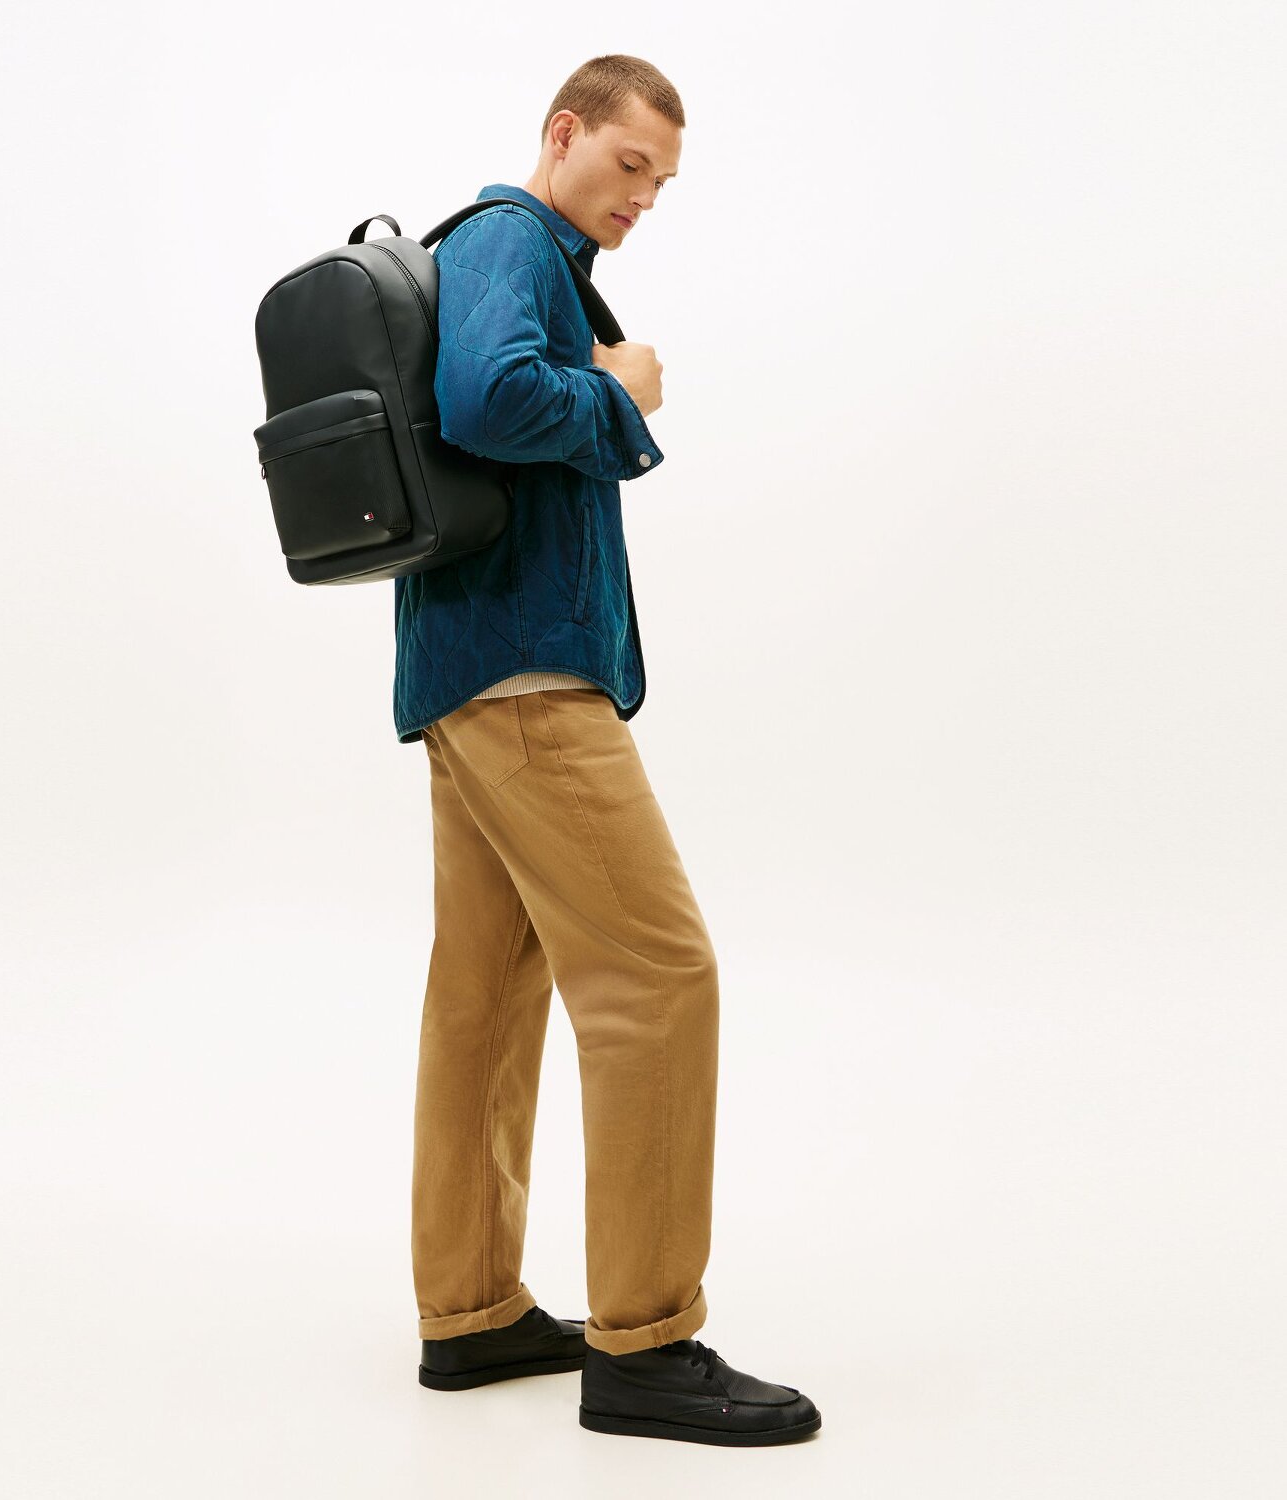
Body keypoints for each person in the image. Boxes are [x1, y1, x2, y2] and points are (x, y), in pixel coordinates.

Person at [396, 54, 822, 1448]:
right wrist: (624, 388)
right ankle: (646, 1345)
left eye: (663, 182)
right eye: (630, 165)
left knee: (489, 989)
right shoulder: (514, 239)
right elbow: (487, 400)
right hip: (525, 679)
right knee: (658, 974)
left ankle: (471, 1312)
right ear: (563, 132)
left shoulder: (509, 253)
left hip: (469, 668)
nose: (644, 197)